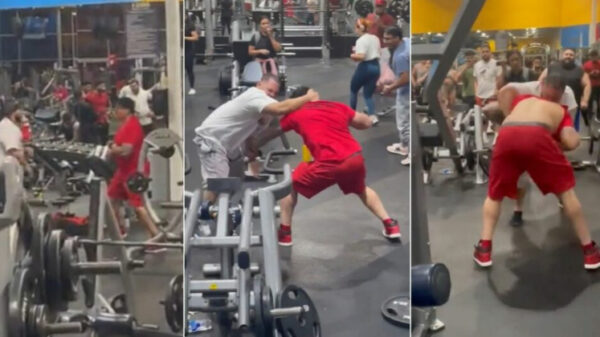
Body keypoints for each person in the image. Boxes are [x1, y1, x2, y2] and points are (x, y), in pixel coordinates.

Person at [474, 75, 600, 270]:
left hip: (506, 135)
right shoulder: (561, 110)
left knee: (494, 195)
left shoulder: (522, 100)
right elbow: (572, 142)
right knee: (566, 192)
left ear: (542, 88)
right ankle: (590, 251)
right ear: (560, 94)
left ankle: (484, 250)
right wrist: (560, 142)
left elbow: (497, 104)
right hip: (538, 136)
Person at [277, 86, 401, 245]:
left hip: (330, 162)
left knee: (289, 185)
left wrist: (252, 145)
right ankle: (390, 224)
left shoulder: (295, 114)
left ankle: (285, 233)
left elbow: (271, 131)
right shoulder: (337, 106)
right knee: (361, 189)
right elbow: (365, 122)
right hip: (354, 157)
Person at [194, 74, 318, 202]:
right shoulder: (255, 95)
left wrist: (251, 149)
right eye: (269, 90)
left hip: (229, 146)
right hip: (212, 140)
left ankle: (223, 210)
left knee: (235, 180)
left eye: (274, 93)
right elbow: (281, 108)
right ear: (259, 84)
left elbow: (252, 130)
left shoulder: (262, 107)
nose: (271, 95)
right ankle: (206, 217)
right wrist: (308, 97)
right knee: (218, 185)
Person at [491, 80, 578, 227]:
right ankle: (518, 210)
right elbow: (505, 91)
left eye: (555, 98)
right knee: (521, 176)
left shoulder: (568, 97)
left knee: (560, 175)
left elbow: (568, 133)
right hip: (530, 135)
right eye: (547, 96)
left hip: (553, 135)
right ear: (542, 87)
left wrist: (561, 144)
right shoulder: (528, 90)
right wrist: (508, 119)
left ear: (562, 93)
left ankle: (563, 200)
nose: (550, 101)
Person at [107, 97, 163, 250]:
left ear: (127, 110)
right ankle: (119, 231)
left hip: (134, 171)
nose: (116, 111)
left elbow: (126, 151)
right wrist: (113, 145)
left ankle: (156, 237)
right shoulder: (123, 125)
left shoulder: (132, 125)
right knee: (111, 199)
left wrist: (112, 149)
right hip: (123, 171)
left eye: (118, 108)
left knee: (138, 206)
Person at [540, 48, 591, 128]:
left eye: (571, 55)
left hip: (572, 106)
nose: (568, 56)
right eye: (566, 54)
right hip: (551, 104)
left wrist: (585, 100)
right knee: (550, 127)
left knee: (570, 129)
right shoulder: (552, 67)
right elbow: (540, 81)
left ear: (574, 57)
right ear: (562, 56)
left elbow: (587, 85)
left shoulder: (579, 70)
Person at [381, 26, 410, 164]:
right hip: (408, 91)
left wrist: (389, 88)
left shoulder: (400, 56)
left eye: (388, 38)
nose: (384, 41)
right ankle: (404, 146)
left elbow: (405, 78)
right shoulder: (406, 41)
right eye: (384, 38)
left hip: (406, 92)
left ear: (397, 38)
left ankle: (410, 152)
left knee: (404, 123)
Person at [350, 18, 381, 122]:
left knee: (354, 89)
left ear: (359, 28)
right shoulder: (375, 38)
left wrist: (353, 55)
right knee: (368, 94)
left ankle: (351, 114)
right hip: (376, 67)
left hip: (365, 67)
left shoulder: (360, 40)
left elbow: (361, 56)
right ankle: (373, 116)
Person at [0, 101, 27, 166]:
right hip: (6, 171)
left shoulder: (5, 124)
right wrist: (27, 167)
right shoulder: (10, 127)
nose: (22, 113)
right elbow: (13, 151)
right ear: (14, 113)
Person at [583, 50, 600, 121]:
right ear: (590, 57)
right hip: (590, 85)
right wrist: (590, 74)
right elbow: (583, 75)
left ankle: (598, 115)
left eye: (595, 56)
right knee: (590, 101)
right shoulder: (586, 64)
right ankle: (589, 114)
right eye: (592, 56)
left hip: (599, 85)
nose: (594, 58)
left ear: (597, 56)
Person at [184, 17, 199, 95]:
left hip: (188, 50)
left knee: (189, 69)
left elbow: (195, 37)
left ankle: (192, 87)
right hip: (179, 50)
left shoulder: (189, 26)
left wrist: (184, 38)